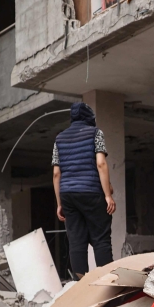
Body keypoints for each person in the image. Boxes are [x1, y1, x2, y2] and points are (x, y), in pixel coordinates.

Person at [52, 102, 116, 278]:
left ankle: (81, 283)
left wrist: (59, 203)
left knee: (76, 241)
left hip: (68, 195)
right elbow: (101, 163)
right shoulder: (95, 133)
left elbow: (56, 173)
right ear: (90, 117)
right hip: (92, 192)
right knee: (101, 239)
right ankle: (107, 283)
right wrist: (108, 195)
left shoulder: (60, 138)